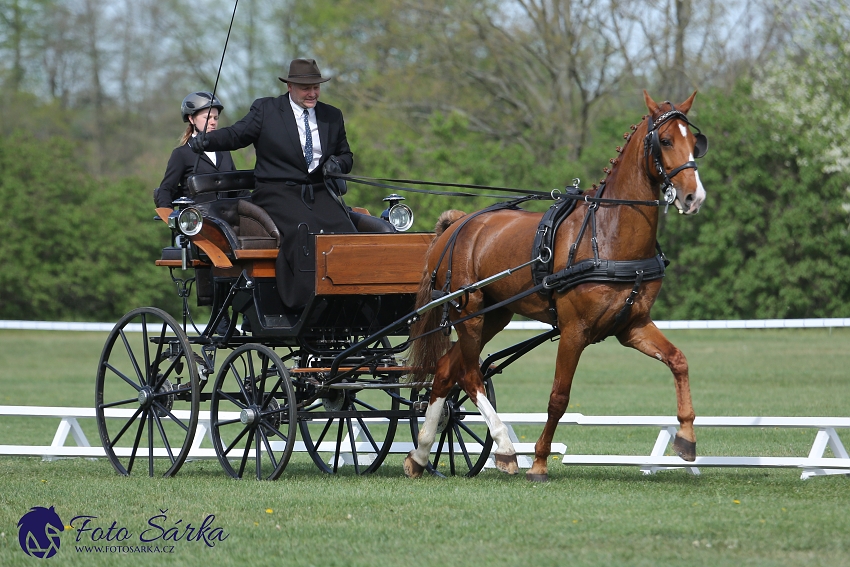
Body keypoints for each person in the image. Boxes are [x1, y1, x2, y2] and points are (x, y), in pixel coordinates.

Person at [189, 58, 358, 310]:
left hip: (319, 191)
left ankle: (351, 299)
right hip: (277, 191)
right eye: (305, 88)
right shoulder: (267, 109)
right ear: (290, 86)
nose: (312, 93)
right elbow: (237, 134)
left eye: (316, 87)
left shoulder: (332, 116)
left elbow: (347, 154)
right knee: (305, 231)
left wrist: (338, 164)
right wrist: (208, 141)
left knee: (347, 233)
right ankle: (305, 302)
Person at [154, 91, 235, 208]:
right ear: (191, 119)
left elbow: (237, 189)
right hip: (197, 222)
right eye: (207, 118)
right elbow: (165, 190)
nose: (213, 122)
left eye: (216, 118)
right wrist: (169, 217)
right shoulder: (181, 154)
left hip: (228, 222)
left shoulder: (224, 152)